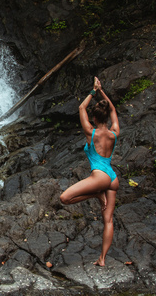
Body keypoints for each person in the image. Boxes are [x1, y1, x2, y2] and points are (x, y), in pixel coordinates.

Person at [59, 76, 120, 267]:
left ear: (94, 118)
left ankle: (95, 195)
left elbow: (81, 108)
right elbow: (113, 109)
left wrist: (93, 91)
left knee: (64, 198)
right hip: (112, 177)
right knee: (108, 221)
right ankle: (102, 259)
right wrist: (102, 92)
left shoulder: (91, 133)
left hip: (99, 178)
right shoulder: (114, 133)